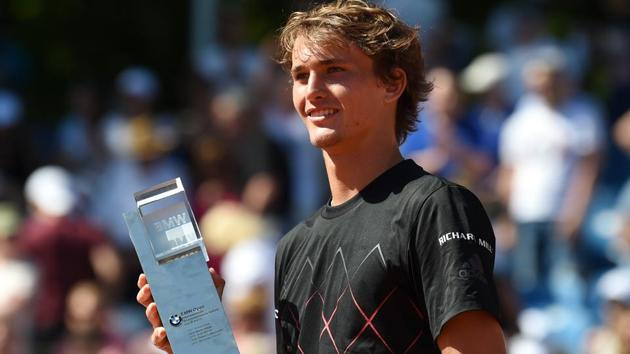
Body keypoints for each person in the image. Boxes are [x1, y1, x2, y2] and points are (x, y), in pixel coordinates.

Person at [137, 1, 506, 353]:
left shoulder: (435, 207)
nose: (311, 90)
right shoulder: (292, 247)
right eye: (300, 75)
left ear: (393, 84)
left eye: (334, 70)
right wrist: (202, 343)